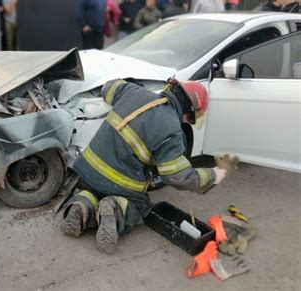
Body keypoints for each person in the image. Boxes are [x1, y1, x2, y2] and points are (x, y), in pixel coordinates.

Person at [60, 78, 228, 254]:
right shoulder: (172, 130)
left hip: (87, 170)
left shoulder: (133, 92)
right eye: (189, 119)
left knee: (91, 191)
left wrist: (131, 86)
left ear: (171, 88)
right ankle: (115, 207)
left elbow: (108, 87)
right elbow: (178, 177)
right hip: (120, 184)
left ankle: (82, 203)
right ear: (188, 113)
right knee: (141, 207)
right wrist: (213, 175)